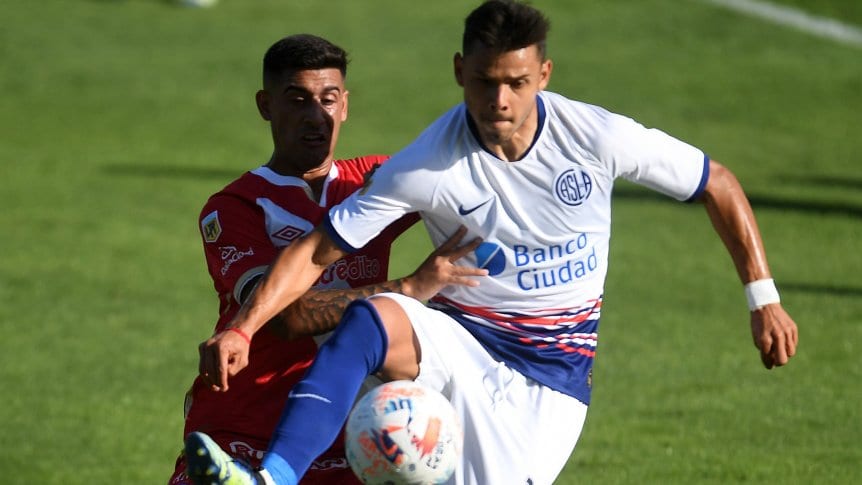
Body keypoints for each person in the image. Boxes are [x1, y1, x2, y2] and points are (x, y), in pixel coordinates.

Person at [185, 1, 799, 484]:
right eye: (482, 81)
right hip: (458, 345)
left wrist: (763, 297)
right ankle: (273, 477)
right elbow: (317, 254)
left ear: (543, 75)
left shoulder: (597, 137)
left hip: (549, 382)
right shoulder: (421, 168)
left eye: (516, 82)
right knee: (375, 318)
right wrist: (243, 328)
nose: (498, 100)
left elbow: (715, 181)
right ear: (459, 71)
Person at [169, 34, 484, 485]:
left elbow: (474, 181)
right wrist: (409, 290)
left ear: (345, 105)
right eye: (297, 100)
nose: (316, 116)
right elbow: (287, 317)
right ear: (265, 105)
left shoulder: (372, 181)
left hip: (344, 437)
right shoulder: (236, 207)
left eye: (328, 99)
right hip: (242, 429)